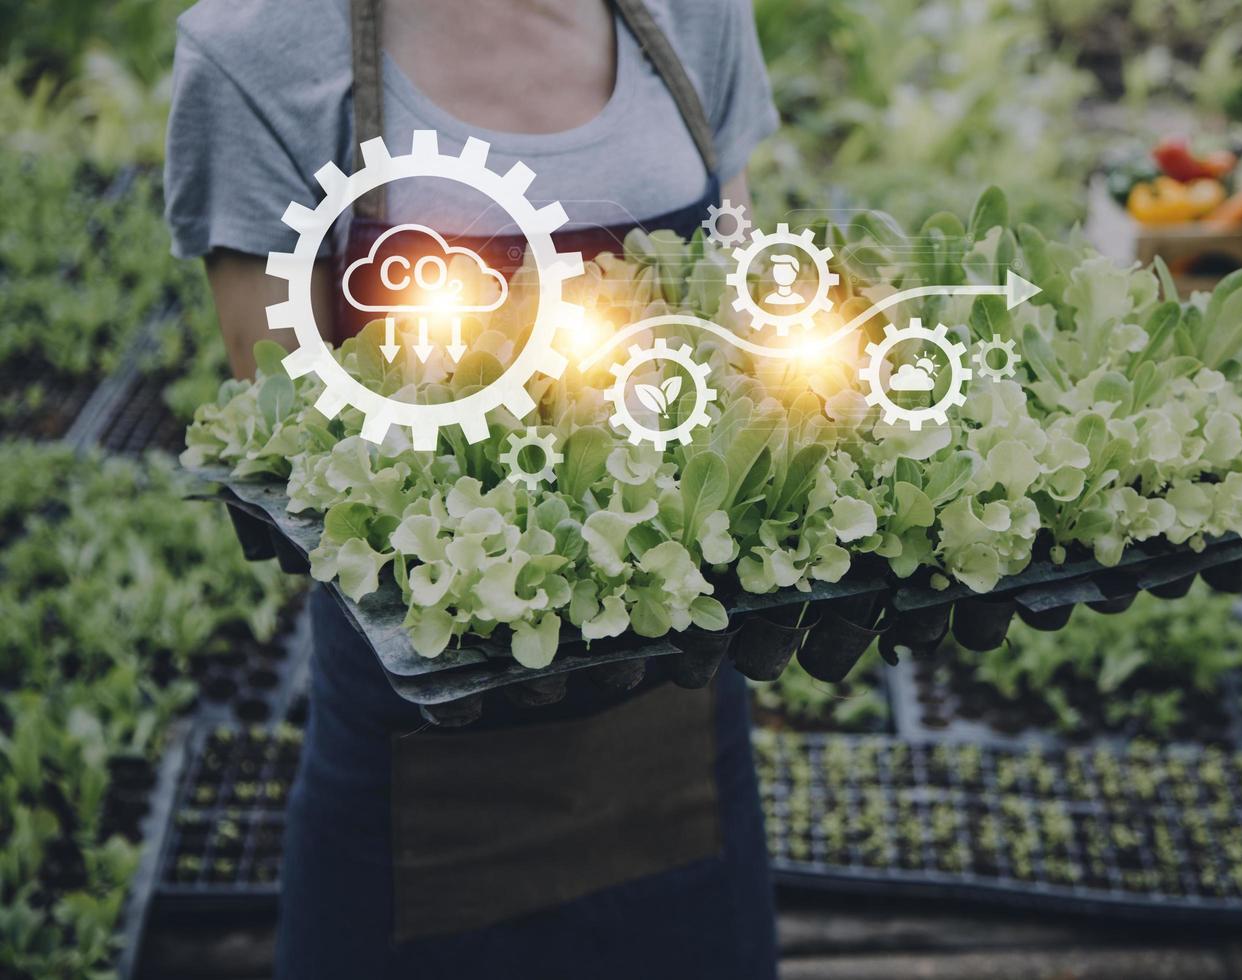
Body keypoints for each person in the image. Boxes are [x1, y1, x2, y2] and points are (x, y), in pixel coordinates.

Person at [163, 1, 781, 977]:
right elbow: (295, 438)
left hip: (680, 765)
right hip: (421, 796)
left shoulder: (693, 14)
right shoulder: (263, 53)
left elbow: (739, 350)